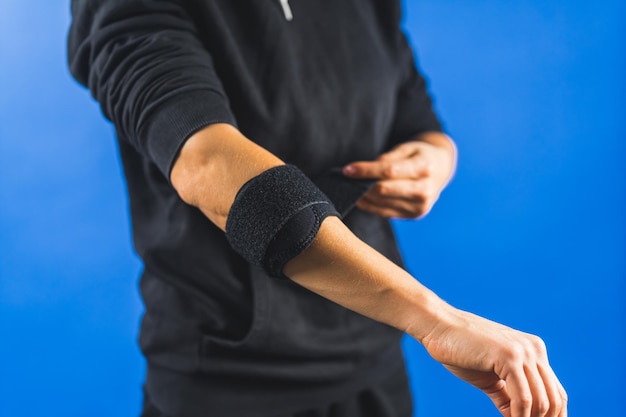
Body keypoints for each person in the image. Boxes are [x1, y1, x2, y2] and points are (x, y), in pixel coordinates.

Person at [68, 1, 567, 416]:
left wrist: (434, 158)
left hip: (375, 359)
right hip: (231, 380)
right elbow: (205, 160)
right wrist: (435, 321)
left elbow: (413, 106)